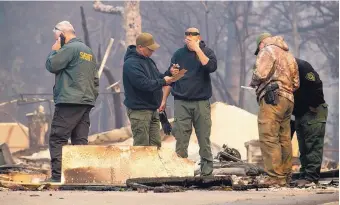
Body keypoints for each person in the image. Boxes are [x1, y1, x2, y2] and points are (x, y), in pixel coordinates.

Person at [45, 21, 99, 182]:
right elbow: (95, 79)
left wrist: (54, 51)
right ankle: (80, 177)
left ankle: (57, 176)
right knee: (80, 140)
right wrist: (90, 97)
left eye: (56, 38)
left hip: (69, 101)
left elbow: (52, 65)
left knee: (58, 138)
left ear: (62, 34)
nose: (56, 42)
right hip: (86, 101)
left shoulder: (69, 48)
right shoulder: (88, 51)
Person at [160, 27, 217, 176]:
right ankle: (181, 168)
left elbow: (211, 67)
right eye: (187, 35)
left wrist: (197, 50)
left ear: (199, 37)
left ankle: (207, 170)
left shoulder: (207, 52)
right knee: (181, 136)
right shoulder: (179, 54)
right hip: (181, 101)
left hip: (201, 101)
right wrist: (163, 100)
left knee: (203, 136)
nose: (189, 38)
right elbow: (170, 79)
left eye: (192, 35)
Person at [250, 33, 299, 186]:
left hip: (273, 98)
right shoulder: (288, 55)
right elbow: (296, 83)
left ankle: (275, 177)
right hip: (288, 99)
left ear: (260, 44)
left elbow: (260, 74)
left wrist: (253, 82)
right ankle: (285, 175)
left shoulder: (267, 50)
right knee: (284, 138)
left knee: (268, 136)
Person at [123, 32, 176, 148]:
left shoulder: (149, 61)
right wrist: (163, 82)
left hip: (153, 109)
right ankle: (141, 167)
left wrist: (169, 73)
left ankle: (155, 166)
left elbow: (157, 77)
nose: (152, 52)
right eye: (149, 49)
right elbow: (143, 84)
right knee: (142, 147)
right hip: (139, 111)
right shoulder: (131, 64)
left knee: (156, 145)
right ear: (140, 47)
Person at [291, 58, 328, 187]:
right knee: (303, 147)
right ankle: (304, 175)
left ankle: (311, 177)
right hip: (301, 112)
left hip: (313, 110)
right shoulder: (286, 69)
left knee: (312, 145)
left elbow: (315, 84)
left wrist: (313, 104)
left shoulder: (301, 66)